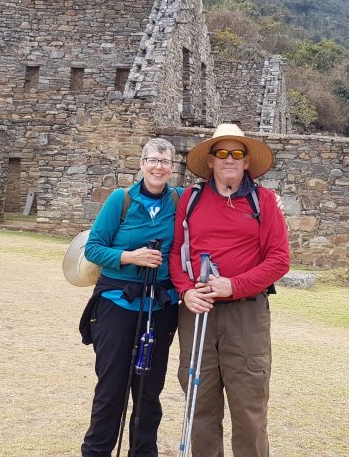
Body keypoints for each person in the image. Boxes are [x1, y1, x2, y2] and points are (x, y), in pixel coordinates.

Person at [169, 123, 290, 457]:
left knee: (249, 407)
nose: (229, 159)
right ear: (210, 160)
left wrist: (233, 286)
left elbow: (279, 260)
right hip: (197, 312)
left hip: (246, 315)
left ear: (247, 162)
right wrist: (184, 292)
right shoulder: (191, 200)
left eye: (237, 153)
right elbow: (176, 254)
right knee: (200, 404)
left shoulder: (263, 201)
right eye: (221, 153)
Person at [80, 138, 182, 457]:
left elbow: (217, 203)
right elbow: (93, 248)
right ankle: (96, 452)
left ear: (172, 168)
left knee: (148, 391)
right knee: (112, 389)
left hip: (160, 306)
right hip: (117, 304)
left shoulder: (179, 200)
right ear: (141, 163)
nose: (158, 167)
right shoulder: (120, 200)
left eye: (165, 162)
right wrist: (130, 257)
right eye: (152, 160)